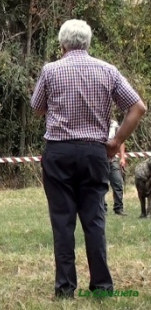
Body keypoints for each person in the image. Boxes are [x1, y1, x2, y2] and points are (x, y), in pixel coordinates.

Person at [31, 19, 146, 299]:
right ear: (88, 43)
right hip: (95, 152)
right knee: (95, 220)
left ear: (62, 45)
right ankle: (103, 287)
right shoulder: (108, 70)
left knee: (62, 222)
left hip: (59, 152)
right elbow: (138, 107)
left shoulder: (51, 70)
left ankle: (65, 289)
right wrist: (117, 141)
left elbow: (36, 109)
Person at [104, 120, 127, 216]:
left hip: (113, 159)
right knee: (101, 185)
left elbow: (121, 142)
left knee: (118, 183)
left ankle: (119, 208)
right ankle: (102, 209)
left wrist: (122, 158)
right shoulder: (96, 121)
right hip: (100, 160)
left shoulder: (114, 125)